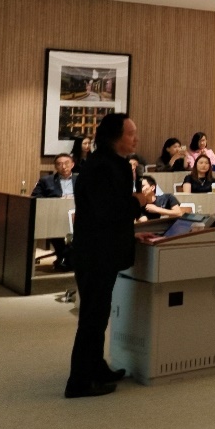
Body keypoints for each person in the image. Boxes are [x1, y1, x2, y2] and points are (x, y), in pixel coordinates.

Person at [67, 112, 142, 398]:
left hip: (99, 251)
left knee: (98, 316)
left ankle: (96, 368)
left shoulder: (108, 163)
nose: (136, 138)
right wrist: (138, 202)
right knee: (92, 318)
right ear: (114, 137)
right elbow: (109, 211)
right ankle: (79, 382)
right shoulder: (104, 167)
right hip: (97, 252)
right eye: (130, 133)